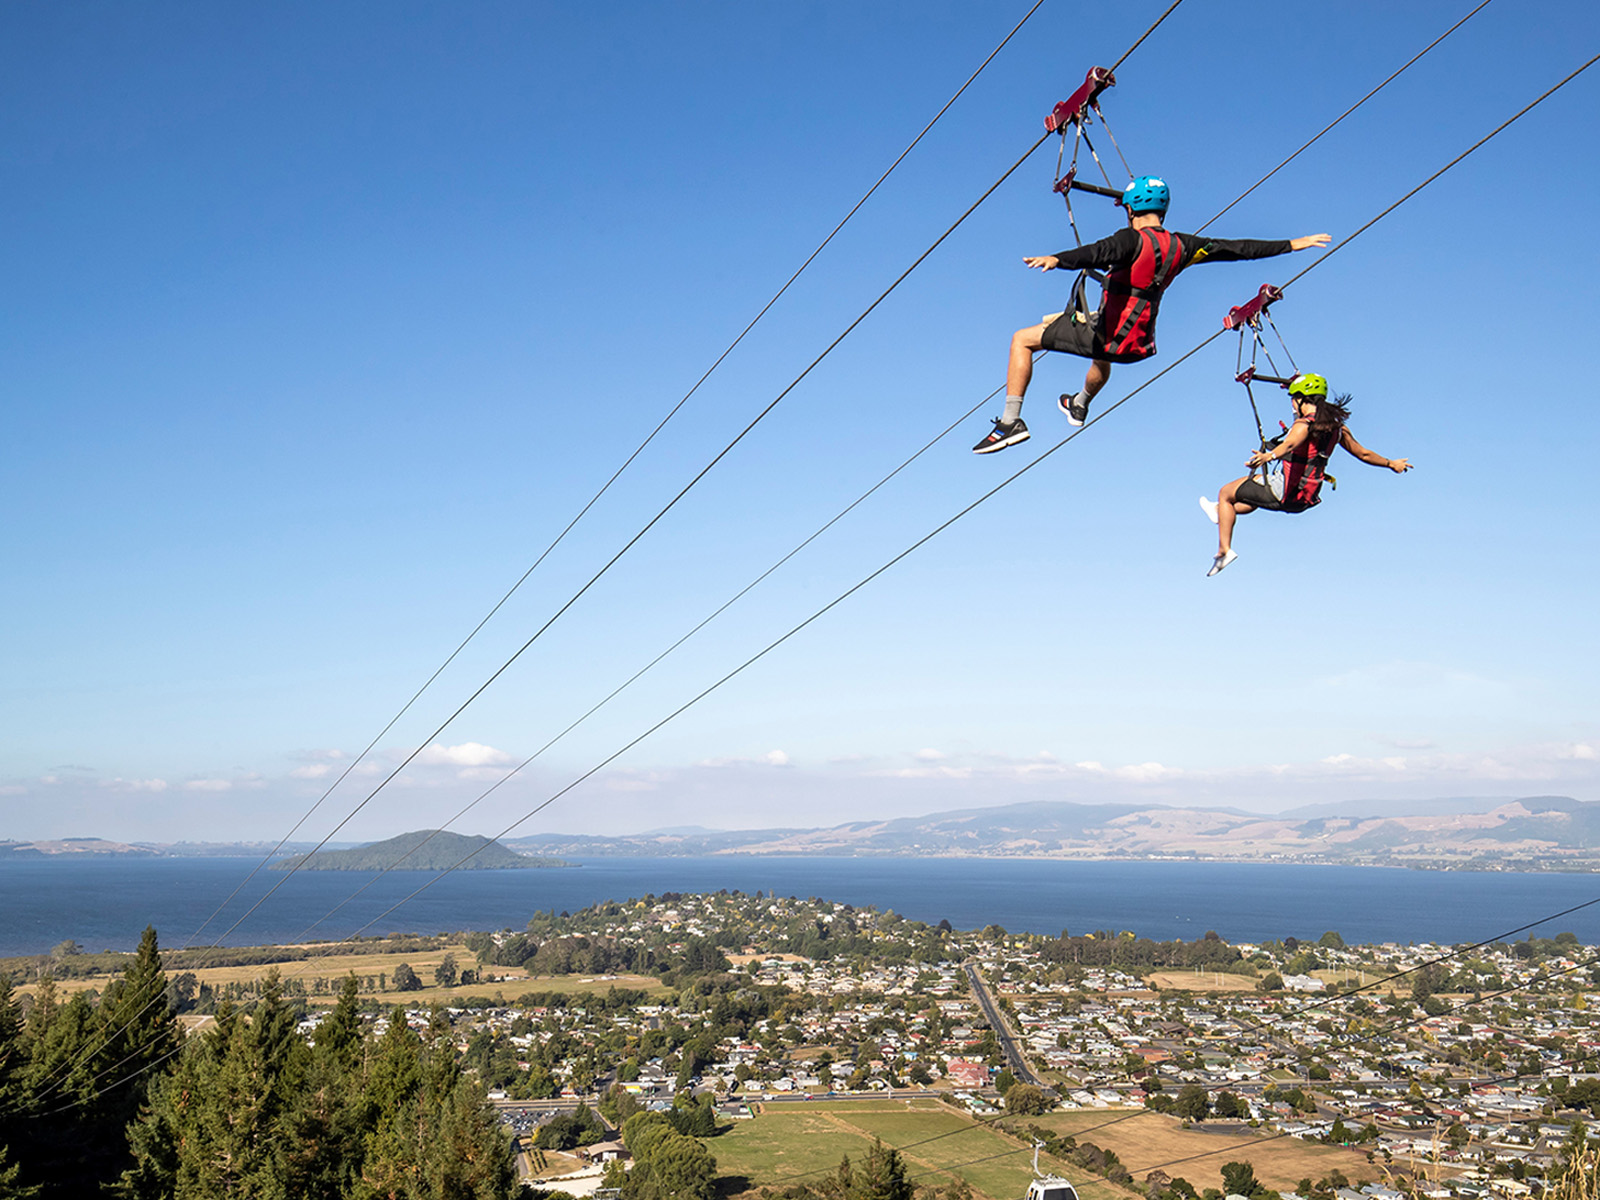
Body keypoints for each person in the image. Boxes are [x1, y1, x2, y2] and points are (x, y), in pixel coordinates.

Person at [973, 175, 1332, 453]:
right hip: (1137, 346)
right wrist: (1291, 245)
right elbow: (1236, 248)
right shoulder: (1184, 246)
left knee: (1022, 340)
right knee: (1080, 336)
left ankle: (1010, 423)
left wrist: (1057, 260)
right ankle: (1080, 404)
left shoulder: (1129, 240)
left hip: (1109, 338)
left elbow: (1098, 252)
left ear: (1129, 210)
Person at [1199, 373, 1412, 576]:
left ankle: (1224, 550)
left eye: (1293, 399)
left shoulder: (1303, 425)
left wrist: (1269, 456)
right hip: (1304, 499)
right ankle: (1220, 512)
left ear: (1301, 400)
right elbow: (1363, 454)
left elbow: (1291, 442)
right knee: (1244, 500)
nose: (1292, 404)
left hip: (1282, 490)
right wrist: (1390, 463)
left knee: (1225, 493)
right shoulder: (1337, 429)